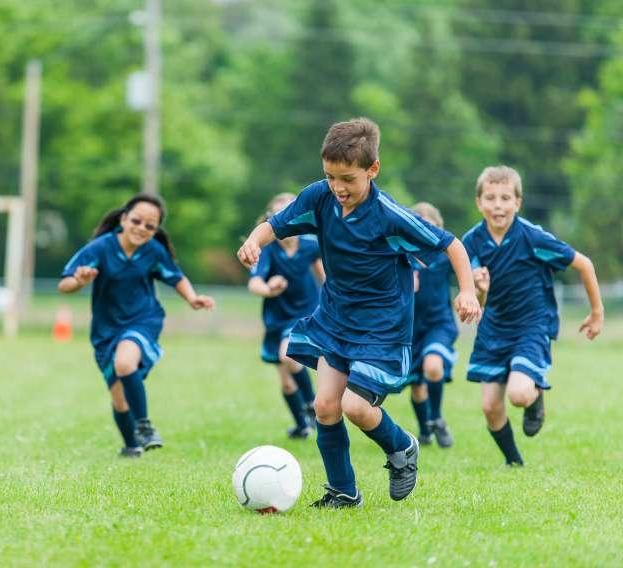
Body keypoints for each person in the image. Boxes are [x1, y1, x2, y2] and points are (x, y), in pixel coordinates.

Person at [237, 118, 481, 508]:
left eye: (347, 178)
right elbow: (277, 225)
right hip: (336, 321)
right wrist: (254, 240)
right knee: (325, 406)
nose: (338, 187)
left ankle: (403, 447)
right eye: (330, 176)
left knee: (354, 406)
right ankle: (343, 491)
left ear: (373, 169)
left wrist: (467, 291)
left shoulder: (388, 215)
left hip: (382, 330)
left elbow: (451, 244)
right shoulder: (319, 198)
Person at [463, 166, 603, 466]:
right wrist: (480, 290)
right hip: (494, 328)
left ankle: (535, 395)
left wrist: (596, 312)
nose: (497, 205)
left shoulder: (533, 238)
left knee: (518, 394)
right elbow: (477, 302)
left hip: (532, 325)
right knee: (489, 406)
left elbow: (585, 265)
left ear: (518, 202)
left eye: (504, 198)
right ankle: (514, 463)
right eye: (490, 197)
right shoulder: (470, 243)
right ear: (479, 203)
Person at [58, 193, 215, 458]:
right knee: (119, 399)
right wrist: (80, 280)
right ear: (123, 219)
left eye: (149, 226)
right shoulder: (101, 248)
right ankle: (132, 445)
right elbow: (64, 284)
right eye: (137, 221)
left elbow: (175, 276)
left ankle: (144, 425)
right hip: (106, 331)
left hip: (144, 319)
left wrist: (192, 298)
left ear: (155, 231)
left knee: (124, 362)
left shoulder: (153, 251)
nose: (141, 228)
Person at [248, 193, 324, 439]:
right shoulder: (268, 249)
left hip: (305, 316)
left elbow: (327, 279)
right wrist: (269, 288)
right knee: (287, 381)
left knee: (289, 356)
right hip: (276, 320)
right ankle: (302, 425)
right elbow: (255, 283)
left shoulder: (311, 246)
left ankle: (311, 405)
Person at [407, 202, 459, 449]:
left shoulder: (444, 256)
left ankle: (437, 418)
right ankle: (424, 428)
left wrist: (477, 285)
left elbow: (468, 268)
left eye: (431, 224)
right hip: (408, 330)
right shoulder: (402, 256)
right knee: (416, 387)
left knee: (433, 366)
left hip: (439, 325)